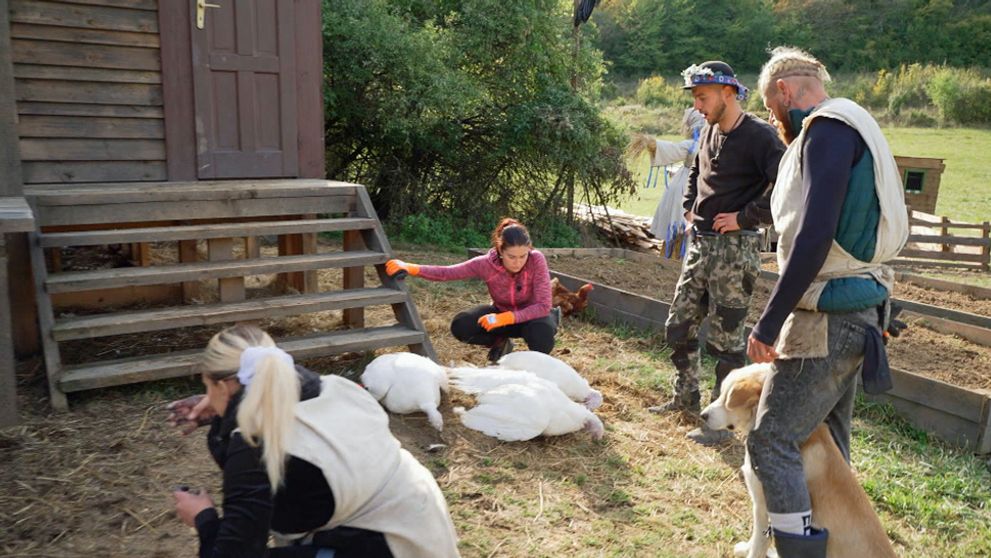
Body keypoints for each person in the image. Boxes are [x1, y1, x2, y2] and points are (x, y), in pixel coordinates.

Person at [746, 46, 908, 557]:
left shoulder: (826, 130)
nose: (778, 124)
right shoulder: (859, 127)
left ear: (785, 92)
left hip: (829, 317)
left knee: (770, 440)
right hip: (860, 310)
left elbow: (816, 233)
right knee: (830, 446)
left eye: (773, 111)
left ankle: (796, 552)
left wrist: (768, 323)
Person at [167, 324, 461, 558]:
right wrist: (224, 412)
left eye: (208, 387)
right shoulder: (335, 387)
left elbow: (234, 549)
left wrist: (204, 519)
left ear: (222, 386)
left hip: (389, 545)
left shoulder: (255, 442)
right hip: (420, 529)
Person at [649, 61, 786, 446]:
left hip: (734, 251)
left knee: (727, 342)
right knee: (679, 325)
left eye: (702, 97)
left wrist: (746, 217)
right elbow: (696, 171)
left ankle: (721, 423)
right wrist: (690, 206)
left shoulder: (760, 137)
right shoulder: (709, 130)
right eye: (694, 97)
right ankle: (684, 398)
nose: (697, 105)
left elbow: (788, 184)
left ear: (728, 93)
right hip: (702, 245)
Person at [386, 218, 556, 363]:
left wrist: (507, 317)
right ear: (500, 251)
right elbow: (448, 272)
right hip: (500, 315)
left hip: (532, 318)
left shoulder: (536, 260)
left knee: (543, 334)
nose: (518, 262)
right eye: (512, 256)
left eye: (523, 256)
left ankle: (534, 364)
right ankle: (500, 342)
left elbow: (542, 305)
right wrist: (411, 268)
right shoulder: (484, 264)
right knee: (461, 325)